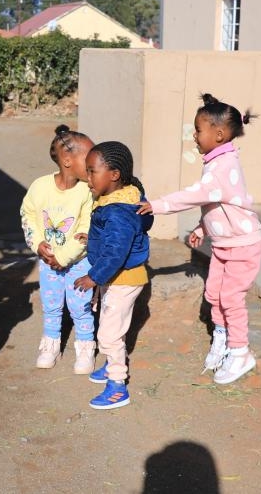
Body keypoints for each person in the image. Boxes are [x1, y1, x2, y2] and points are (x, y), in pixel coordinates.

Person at [139, 93, 261, 385]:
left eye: (198, 130)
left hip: (242, 246)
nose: (194, 135)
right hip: (224, 244)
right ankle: (221, 336)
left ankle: (240, 351)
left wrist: (158, 204)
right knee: (214, 294)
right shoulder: (217, 161)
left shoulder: (222, 166)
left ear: (218, 135)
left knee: (231, 298)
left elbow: (196, 195)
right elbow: (217, 205)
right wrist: (202, 228)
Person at [73, 141, 152, 410]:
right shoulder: (119, 200)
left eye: (92, 171)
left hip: (123, 277)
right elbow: (112, 240)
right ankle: (110, 367)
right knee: (109, 324)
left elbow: (117, 252)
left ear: (115, 174)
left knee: (108, 334)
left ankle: (118, 385)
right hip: (118, 276)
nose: (87, 178)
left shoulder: (119, 211)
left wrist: (94, 277)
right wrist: (92, 239)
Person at [20, 125, 97, 373]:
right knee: (51, 304)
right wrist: (37, 244)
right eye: (89, 157)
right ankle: (50, 345)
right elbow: (28, 215)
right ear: (67, 160)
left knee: (80, 305)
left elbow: (88, 226)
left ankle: (85, 348)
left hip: (79, 262)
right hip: (48, 260)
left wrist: (63, 257)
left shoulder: (88, 191)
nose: (94, 161)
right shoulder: (40, 186)